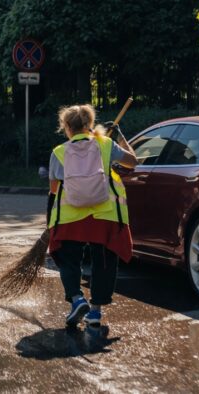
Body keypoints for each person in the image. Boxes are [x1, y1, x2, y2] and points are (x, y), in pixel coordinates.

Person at [47, 104, 137, 328]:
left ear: (66, 127)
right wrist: (120, 136)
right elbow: (133, 162)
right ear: (89, 124)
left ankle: (77, 299)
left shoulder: (58, 152)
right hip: (104, 215)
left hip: (71, 217)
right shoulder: (106, 145)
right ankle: (95, 312)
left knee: (68, 259)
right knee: (104, 261)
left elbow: (54, 190)